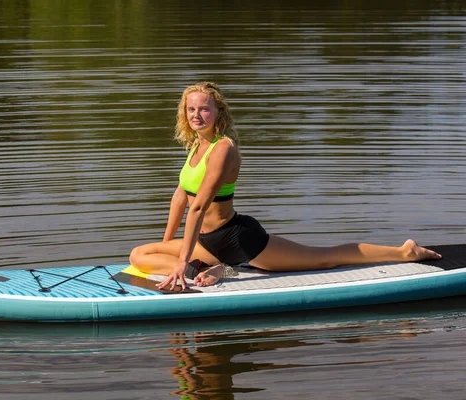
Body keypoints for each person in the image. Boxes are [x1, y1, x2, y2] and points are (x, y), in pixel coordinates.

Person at [129, 82, 442, 291]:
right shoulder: (195, 146)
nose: (197, 115)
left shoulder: (222, 148)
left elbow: (199, 205)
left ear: (218, 112)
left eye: (204, 109)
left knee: (325, 258)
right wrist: (168, 245)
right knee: (139, 255)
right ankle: (215, 267)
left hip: (238, 238)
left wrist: (179, 261)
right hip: (207, 242)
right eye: (191, 109)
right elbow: (180, 198)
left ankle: (404, 251)